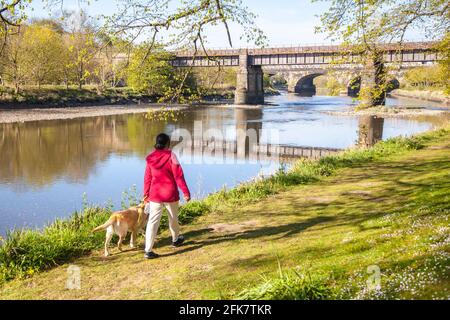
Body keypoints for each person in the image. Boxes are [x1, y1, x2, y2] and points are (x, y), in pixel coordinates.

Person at [142, 133, 191, 259]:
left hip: (155, 195)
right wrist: (186, 192)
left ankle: (148, 250)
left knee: (152, 222)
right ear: (167, 144)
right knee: (173, 219)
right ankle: (175, 240)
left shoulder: (150, 158)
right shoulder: (171, 156)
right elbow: (178, 176)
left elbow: (147, 178)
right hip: (170, 194)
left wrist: (146, 194)